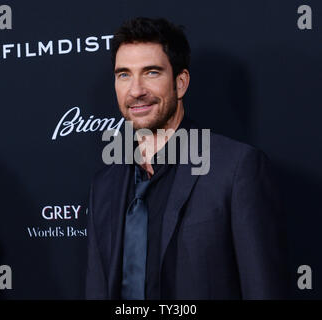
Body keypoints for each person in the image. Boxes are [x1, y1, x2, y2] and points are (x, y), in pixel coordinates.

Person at [85, 17, 289, 299]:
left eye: (151, 72)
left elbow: (263, 289)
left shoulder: (236, 169)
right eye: (124, 75)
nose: (136, 90)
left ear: (180, 83)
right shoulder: (104, 185)